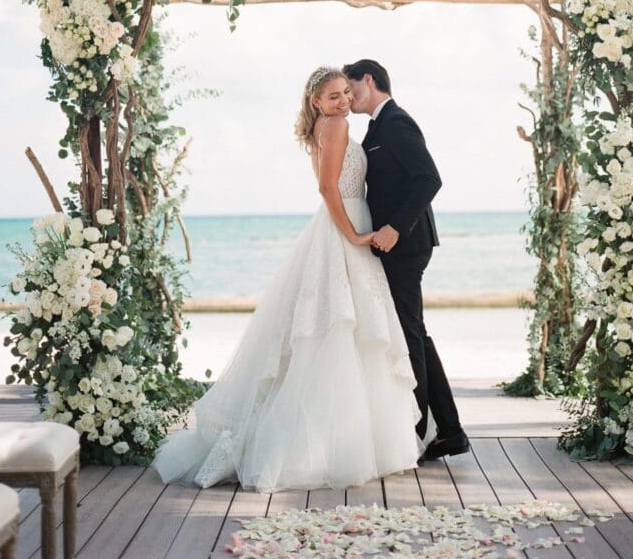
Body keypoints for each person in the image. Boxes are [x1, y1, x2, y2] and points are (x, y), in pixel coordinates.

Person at [152, 66, 420, 492]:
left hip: (348, 220)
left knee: (348, 329)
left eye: (343, 94)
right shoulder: (335, 126)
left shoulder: (326, 124)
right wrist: (352, 234)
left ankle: (349, 441)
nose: (342, 101)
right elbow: (328, 189)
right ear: (316, 101)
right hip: (344, 223)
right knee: (340, 329)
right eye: (332, 96)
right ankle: (330, 448)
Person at [343, 59, 470, 462]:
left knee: (409, 334)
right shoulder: (376, 126)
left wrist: (396, 227)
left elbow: (429, 178)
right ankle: (449, 430)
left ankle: (415, 430)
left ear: (369, 79)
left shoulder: (397, 122)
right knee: (413, 332)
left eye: (351, 89)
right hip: (391, 245)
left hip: (408, 245)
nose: (349, 98)